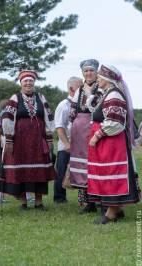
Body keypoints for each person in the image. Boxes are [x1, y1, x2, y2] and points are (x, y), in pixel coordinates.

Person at [87, 65, 140, 224]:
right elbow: (93, 109)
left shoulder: (115, 95)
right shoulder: (107, 94)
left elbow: (115, 122)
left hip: (112, 142)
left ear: (108, 80)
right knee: (107, 173)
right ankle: (116, 210)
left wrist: (97, 135)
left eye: (100, 78)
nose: (97, 79)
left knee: (112, 174)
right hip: (108, 142)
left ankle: (111, 213)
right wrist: (93, 94)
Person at [0, 70, 56, 211]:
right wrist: (9, 139)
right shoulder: (15, 98)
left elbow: (48, 117)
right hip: (20, 143)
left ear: (34, 83)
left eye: (31, 81)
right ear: (21, 83)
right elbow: (7, 118)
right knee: (21, 171)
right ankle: (23, 202)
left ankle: (38, 202)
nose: (28, 83)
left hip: (38, 141)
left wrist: (49, 137)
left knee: (39, 171)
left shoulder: (41, 98)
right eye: (25, 81)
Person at [69, 59, 100, 213]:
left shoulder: (101, 88)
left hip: (95, 128)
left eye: (91, 70)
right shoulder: (79, 90)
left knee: (96, 164)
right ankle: (88, 203)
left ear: (96, 72)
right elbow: (72, 111)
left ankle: (101, 200)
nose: (88, 73)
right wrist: (73, 127)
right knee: (82, 166)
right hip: (80, 132)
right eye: (86, 71)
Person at [53, 77, 83, 203]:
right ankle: (59, 197)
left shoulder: (82, 104)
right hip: (66, 145)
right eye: (80, 87)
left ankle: (84, 197)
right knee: (62, 170)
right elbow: (59, 126)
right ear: (71, 88)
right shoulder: (63, 105)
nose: (83, 89)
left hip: (80, 144)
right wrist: (66, 144)